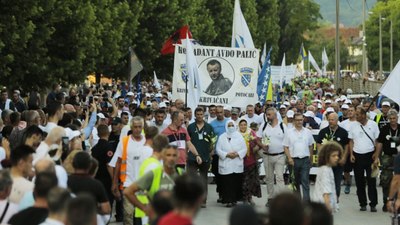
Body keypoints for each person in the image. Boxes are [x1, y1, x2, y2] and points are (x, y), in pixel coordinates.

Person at [123, 145, 182, 217]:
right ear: (163, 156)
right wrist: (144, 208)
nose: (171, 158)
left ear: (178, 157)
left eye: (174, 155)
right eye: (168, 155)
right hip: (158, 219)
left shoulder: (182, 174)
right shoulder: (153, 174)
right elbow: (128, 191)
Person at [109, 116, 146, 225]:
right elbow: (118, 162)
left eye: (140, 127)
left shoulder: (147, 142)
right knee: (128, 215)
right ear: (131, 127)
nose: (138, 129)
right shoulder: (124, 142)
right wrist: (114, 183)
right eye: (135, 127)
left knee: (142, 216)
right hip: (128, 184)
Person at [349, 106, 380, 212]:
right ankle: (362, 203)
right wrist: (351, 154)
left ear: (363, 115)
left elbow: (378, 141)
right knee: (359, 181)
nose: (355, 116)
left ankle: (373, 204)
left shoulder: (373, 124)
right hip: (357, 155)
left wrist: (376, 154)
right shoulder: (353, 126)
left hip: (370, 155)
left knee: (372, 180)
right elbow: (351, 141)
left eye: (357, 114)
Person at [316, 112, 349, 202]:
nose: (330, 121)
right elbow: (318, 144)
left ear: (337, 120)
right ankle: (326, 199)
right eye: (329, 120)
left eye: (332, 120)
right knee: (326, 181)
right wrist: (322, 154)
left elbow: (347, 146)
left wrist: (344, 158)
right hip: (326, 162)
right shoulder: (323, 131)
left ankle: (336, 198)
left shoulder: (343, 132)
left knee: (336, 181)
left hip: (338, 161)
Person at [186, 107, 214, 208]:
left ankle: (203, 200)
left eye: (201, 114)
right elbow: (187, 142)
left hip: (205, 157)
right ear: (195, 115)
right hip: (192, 157)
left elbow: (212, 142)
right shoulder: (190, 127)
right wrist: (186, 154)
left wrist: (210, 154)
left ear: (204, 115)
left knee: (203, 179)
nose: (199, 116)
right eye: (197, 114)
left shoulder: (209, 127)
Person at [283, 113, 315, 201]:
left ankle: (306, 202)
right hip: (293, 160)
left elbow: (310, 146)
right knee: (295, 182)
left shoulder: (307, 132)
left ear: (303, 120)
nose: (299, 122)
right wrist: (289, 158)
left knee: (305, 181)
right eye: (297, 120)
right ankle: (297, 202)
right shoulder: (289, 132)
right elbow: (285, 146)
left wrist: (311, 158)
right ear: (294, 121)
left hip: (305, 159)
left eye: (301, 120)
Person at [67, 151, 111, 216]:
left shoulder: (66, 181)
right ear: (90, 165)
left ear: (73, 164)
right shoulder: (96, 184)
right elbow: (106, 209)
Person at [216, 120, 247, 207]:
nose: (230, 127)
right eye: (229, 125)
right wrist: (227, 154)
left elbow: (244, 149)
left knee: (236, 182)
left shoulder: (239, 136)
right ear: (226, 126)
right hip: (226, 162)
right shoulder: (222, 137)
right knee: (227, 183)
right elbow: (218, 149)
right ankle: (228, 200)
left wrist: (237, 154)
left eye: (232, 125)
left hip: (237, 162)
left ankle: (235, 200)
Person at [261, 107, 287, 206]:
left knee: (280, 177)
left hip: (280, 155)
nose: (267, 117)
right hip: (267, 156)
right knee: (269, 178)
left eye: (269, 115)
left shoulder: (282, 126)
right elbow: (258, 138)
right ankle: (270, 198)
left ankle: (281, 199)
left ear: (275, 115)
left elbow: (287, 141)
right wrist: (262, 145)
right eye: (266, 115)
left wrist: (288, 156)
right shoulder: (263, 126)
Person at [375, 109, 399, 212]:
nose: (392, 120)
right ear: (388, 119)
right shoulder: (384, 129)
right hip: (387, 156)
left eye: (394, 118)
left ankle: (397, 201)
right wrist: (376, 156)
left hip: (398, 156)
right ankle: (386, 202)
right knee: (385, 179)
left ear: (397, 118)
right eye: (391, 118)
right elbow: (380, 144)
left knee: (398, 179)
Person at [237, 119, 262, 205]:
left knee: (251, 181)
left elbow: (258, 142)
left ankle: (249, 198)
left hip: (250, 161)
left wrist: (256, 148)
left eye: (245, 124)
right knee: (242, 181)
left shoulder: (251, 132)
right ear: (239, 126)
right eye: (241, 125)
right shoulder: (236, 134)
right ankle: (243, 198)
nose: (243, 126)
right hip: (239, 161)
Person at [312, 141, 341, 212]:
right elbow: (326, 194)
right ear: (326, 156)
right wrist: (328, 210)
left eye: (337, 155)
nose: (337, 158)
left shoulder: (327, 168)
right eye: (333, 156)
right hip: (322, 208)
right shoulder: (325, 170)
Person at [340, 105, 357, 194]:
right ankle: (348, 182)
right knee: (346, 169)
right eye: (348, 110)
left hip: (357, 148)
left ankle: (359, 184)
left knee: (358, 168)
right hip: (346, 149)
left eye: (352, 110)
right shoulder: (343, 123)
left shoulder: (358, 123)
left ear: (355, 112)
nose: (350, 112)